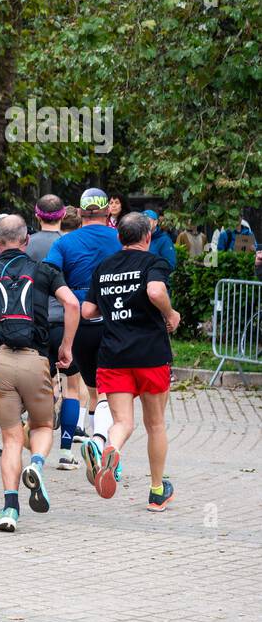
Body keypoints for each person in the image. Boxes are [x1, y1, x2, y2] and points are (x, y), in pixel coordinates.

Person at [0, 215, 79, 532]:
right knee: (41, 425)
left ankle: (10, 509)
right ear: (27, 241)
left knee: (11, 437)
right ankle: (37, 464)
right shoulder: (45, 271)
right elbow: (73, 304)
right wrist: (65, 346)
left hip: (0, 361)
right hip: (36, 359)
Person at [83, 212, 179, 509]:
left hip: (113, 355)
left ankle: (110, 449)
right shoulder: (153, 262)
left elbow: (87, 311)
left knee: (123, 421)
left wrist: (113, 313)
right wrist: (170, 314)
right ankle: (156, 491)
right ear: (147, 237)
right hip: (150, 355)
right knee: (156, 425)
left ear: (119, 238)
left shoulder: (104, 267)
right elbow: (155, 289)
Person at [46, 187, 122, 476]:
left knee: (87, 387)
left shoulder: (65, 243)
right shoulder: (119, 239)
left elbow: (48, 276)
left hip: (75, 321)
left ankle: (91, 438)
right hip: (114, 319)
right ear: (107, 211)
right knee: (107, 390)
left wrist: (69, 297)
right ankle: (98, 441)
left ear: (78, 212)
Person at [26, 193, 82, 469]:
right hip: (64, 319)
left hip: (33, 322)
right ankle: (66, 450)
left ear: (37, 215)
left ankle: (37, 442)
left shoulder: (27, 244)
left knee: (40, 385)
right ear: (62, 216)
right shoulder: (69, 244)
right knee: (73, 385)